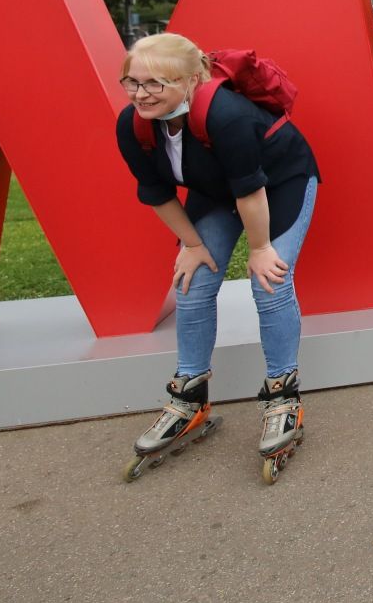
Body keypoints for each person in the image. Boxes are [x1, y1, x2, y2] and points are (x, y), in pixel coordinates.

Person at [113, 33, 322, 480]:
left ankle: (283, 395)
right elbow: (156, 193)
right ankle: (190, 398)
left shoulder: (224, 115)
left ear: (190, 82)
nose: (140, 94)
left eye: (155, 83)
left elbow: (250, 191)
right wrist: (192, 246)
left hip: (279, 182)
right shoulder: (132, 124)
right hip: (216, 191)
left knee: (271, 281)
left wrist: (260, 249)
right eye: (132, 82)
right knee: (192, 282)